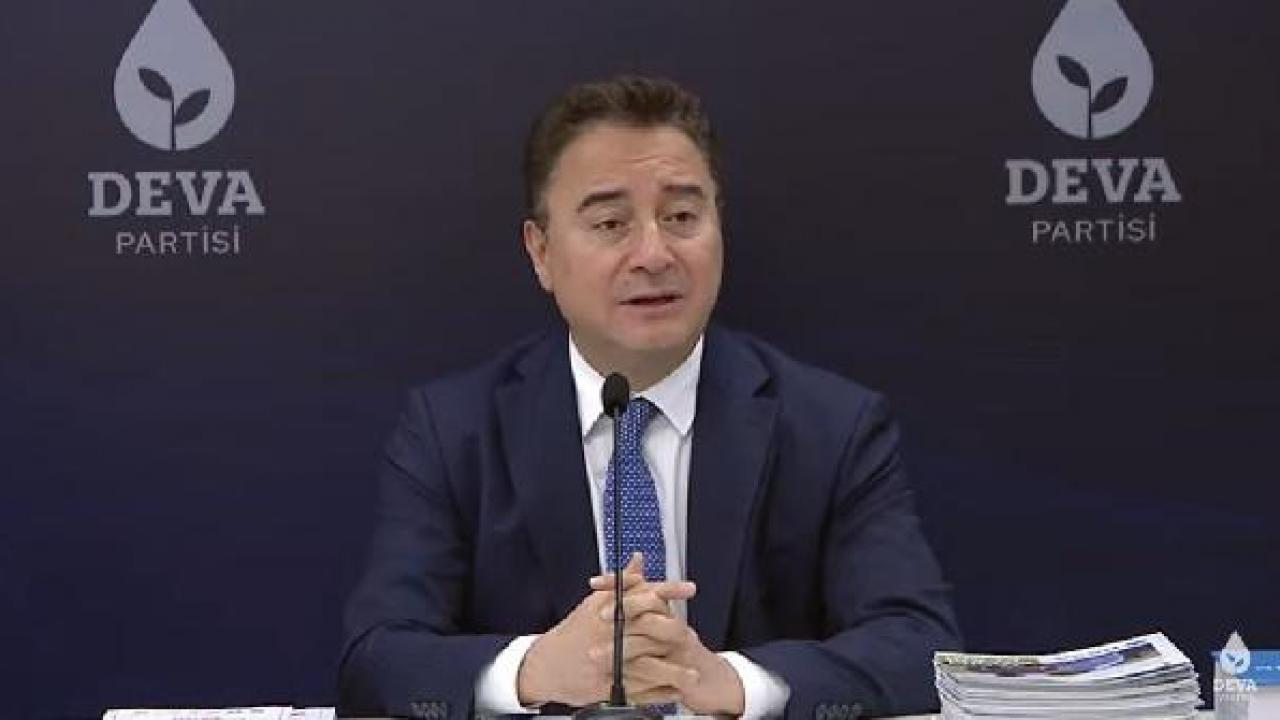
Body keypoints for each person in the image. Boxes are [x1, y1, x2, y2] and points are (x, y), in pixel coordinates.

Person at [339, 75, 960, 719]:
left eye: (682, 217)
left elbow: (919, 646)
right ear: (541, 252)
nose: (654, 254)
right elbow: (376, 659)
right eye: (611, 223)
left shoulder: (832, 428)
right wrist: (535, 668)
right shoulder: (453, 433)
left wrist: (733, 681)